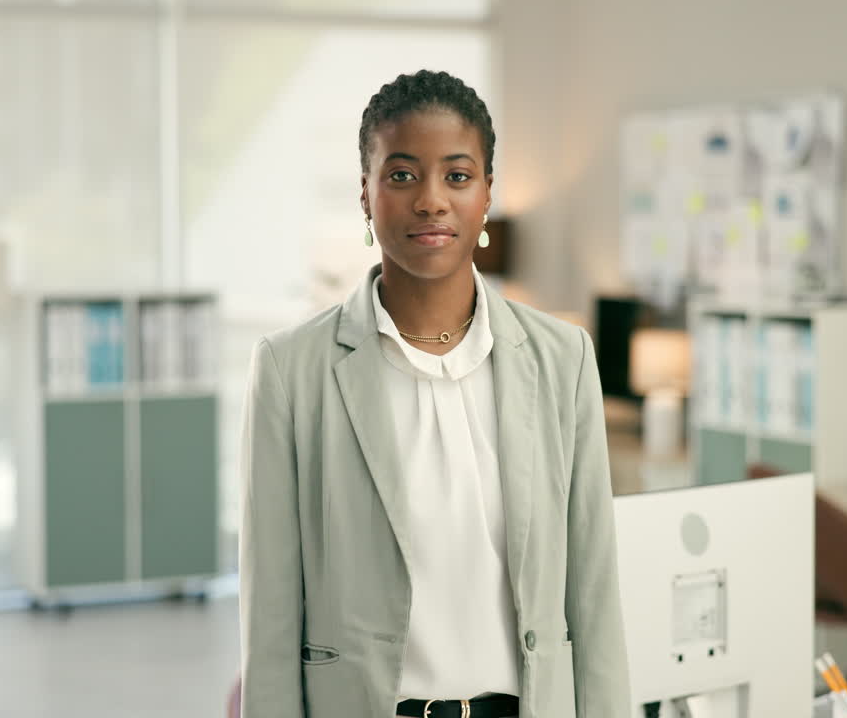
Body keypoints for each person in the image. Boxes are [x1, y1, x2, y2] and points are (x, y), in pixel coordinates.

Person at [238, 69, 629, 718]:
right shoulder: (290, 372)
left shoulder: (563, 360)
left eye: (456, 175)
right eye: (400, 175)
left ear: (486, 195)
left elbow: (594, 598)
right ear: (365, 194)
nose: (430, 200)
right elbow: (271, 615)